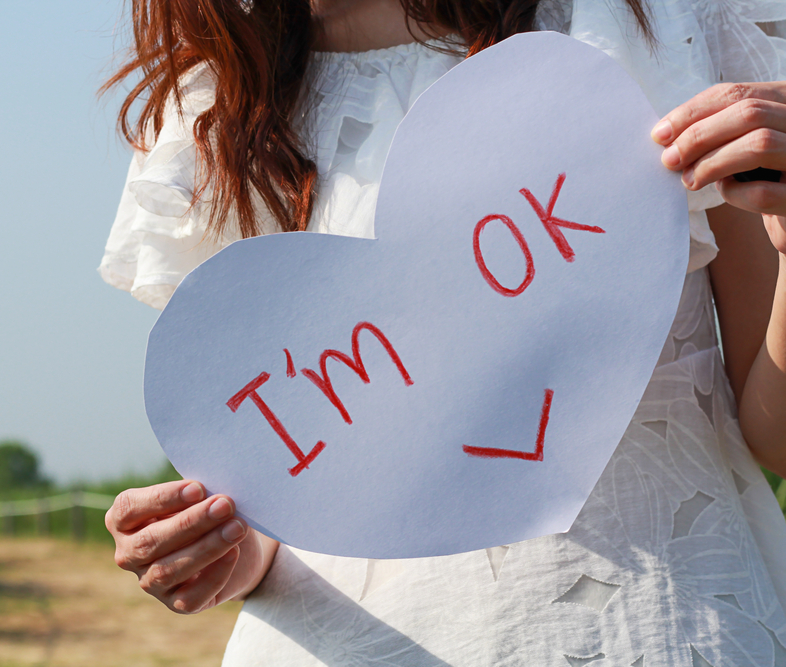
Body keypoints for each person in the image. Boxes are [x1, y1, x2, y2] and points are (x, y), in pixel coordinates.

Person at [98, 0, 786, 663]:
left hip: (664, 629)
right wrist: (210, 549)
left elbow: (776, 438)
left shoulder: (642, 25)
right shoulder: (220, 110)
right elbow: (282, 520)